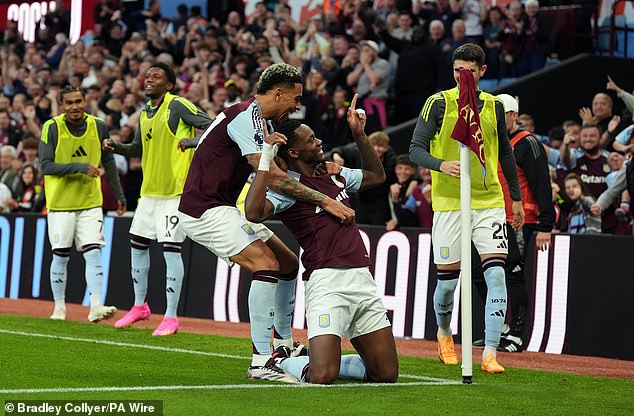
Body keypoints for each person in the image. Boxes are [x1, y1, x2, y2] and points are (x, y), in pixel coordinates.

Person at [177, 63, 355, 382]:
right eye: (295, 98)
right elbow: (271, 175)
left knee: (287, 262)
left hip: (221, 205)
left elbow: (277, 167)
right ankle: (261, 361)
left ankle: (283, 346)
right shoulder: (245, 116)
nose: (298, 105)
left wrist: (316, 171)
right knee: (266, 263)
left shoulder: (256, 119)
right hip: (203, 210)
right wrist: (325, 199)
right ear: (278, 92)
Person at [244, 95, 398, 384]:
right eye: (311, 139)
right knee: (321, 375)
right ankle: (283, 361)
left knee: (385, 374)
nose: (319, 142)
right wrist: (265, 158)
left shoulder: (335, 176)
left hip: (362, 279)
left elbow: (377, 176)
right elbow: (253, 212)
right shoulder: (287, 189)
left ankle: (322, 357)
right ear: (293, 153)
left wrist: (359, 134)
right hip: (327, 283)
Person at [409, 43, 524, 374]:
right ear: (453, 70)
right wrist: (440, 164)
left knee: (497, 275)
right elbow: (415, 149)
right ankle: (444, 334)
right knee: (447, 283)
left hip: (488, 201)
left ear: (482, 72)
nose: (465, 76)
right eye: (460, 70)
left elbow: (504, 152)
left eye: (471, 71)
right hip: (449, 203)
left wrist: (514, 197)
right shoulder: (439, 102)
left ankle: (489, 352)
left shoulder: (493, 106)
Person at [104, 62, 213, 336]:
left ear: (169, 85)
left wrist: (191, 142)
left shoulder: (176, 106)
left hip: (174, 193)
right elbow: (138, 149)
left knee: (170, 250)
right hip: (149, 193)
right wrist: (116, 146)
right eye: (148, 75)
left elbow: (214, 127)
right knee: (137, 246)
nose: (149, 79)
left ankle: (171, 316)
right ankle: (140, 306)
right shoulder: (144, 113)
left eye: (157, 76)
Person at [40, 86, 126, 322]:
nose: (75, 106)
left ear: (85, 101)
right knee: (61, 256)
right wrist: (78, 167)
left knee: (93, 252)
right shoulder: (52, 127)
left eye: (79, 101)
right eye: (69, 103)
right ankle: (59, 309)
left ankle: (95, 306)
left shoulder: (98, 126)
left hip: (90, 202)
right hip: (60, 204)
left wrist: (119, 194)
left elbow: (108, 161)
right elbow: (45, 166)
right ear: (61, 105)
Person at [488, 94, 554, 353]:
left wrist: (546, 225)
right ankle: (503, 327)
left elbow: (542, 184)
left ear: (514, 115)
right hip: (494, 217)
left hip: (519, 220)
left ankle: (515, 334)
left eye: (501, 115)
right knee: (487, 273)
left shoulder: (528, 143)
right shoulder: (494, 142)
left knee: (514, 275)